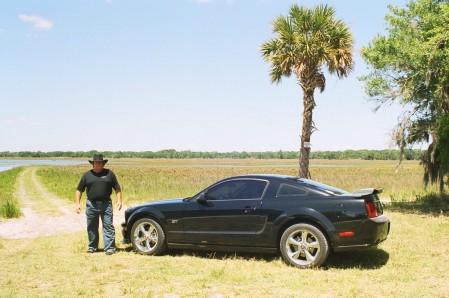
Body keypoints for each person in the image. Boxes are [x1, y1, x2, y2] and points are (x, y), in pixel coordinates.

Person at [75, 154, 123, 255]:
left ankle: (109, 248)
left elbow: (117, 188)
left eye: (99, 163)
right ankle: (92, 247)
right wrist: (77, 204)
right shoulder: (87, 175)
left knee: (108, 226)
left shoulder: (109, 174)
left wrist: (119, 200)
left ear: (103, 164)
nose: (97, 164)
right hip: (91, 205)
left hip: (106, 205)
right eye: (96, 162)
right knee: (91, 226)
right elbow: (79, 190)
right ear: (93, 164)